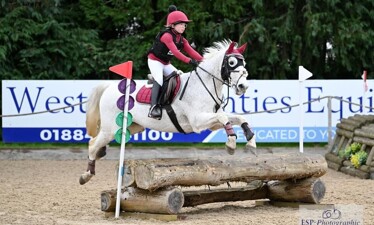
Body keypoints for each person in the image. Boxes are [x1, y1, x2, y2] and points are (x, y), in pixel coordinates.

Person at [147, 5, 203, 120]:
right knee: (159, 79)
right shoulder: (167, 36)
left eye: (185, 24)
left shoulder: (182, 39)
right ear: (173, 25)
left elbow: (192, 52)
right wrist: (189, 61)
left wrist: (205, 62)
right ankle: (153, 108)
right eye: (181, 24)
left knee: (179, 77)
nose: (184, 27)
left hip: (165, 63)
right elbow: (176, 53)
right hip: (155, 61)